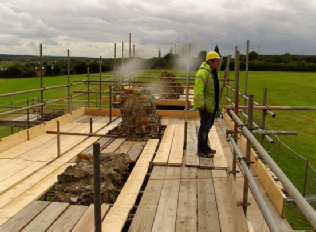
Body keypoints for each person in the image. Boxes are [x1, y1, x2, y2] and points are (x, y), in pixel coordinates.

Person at [194, 51, 221, 158]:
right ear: (210, 61)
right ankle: (202, 150)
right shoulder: (203, 72)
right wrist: (201, 104)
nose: (218, 63)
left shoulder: (212, 72)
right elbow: (198, 90)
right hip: (205, 106)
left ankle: (206, 147)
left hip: (212, 106)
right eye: (216, 61)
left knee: (208, 127)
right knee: (204, 128)